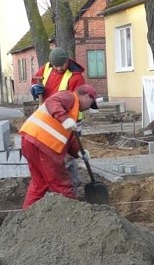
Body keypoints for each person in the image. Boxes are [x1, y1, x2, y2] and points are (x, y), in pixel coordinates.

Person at [20, 85, 99, 209]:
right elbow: (52, 101)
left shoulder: (71, 111)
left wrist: (78, 151)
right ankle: (72, 217)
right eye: (91, 103)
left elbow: (68, 137)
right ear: (86, 96)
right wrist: (64, 119)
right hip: (44, 145)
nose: (89, 108)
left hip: (30, 140)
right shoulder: (70, 97)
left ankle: (25, 217)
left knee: (39, 183)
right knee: (61, 184)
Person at [31, 47, 88, 188]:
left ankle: (71, 186)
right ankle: (57, 185)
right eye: (55, 65)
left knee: (67, 156)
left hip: (68, 121)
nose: (58, 68)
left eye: (60, 65)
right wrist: (33, 89)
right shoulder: (47, 68)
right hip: (48, 120)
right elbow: (35, 82)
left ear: (66, 61)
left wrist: (66, 120)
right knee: (51, 155)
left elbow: (77, 102)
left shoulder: (76, 77)